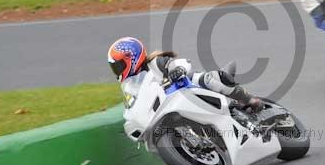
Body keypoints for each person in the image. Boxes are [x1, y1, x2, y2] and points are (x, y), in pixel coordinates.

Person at [107, 37, 263, 111]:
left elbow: (182, 63)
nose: (118, 71)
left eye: (119, 66)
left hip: (188, 88)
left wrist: (177, 71)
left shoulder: (156, 62)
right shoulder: (133, 84)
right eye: (115, 67)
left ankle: (249, 99)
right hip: (171, 107)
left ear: (132, 58)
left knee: (208, 80)